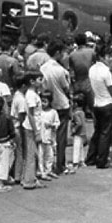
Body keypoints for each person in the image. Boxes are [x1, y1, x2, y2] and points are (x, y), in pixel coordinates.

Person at [85, 43, 112, 169]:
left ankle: (90, 158)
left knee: (98, 132)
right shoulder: (106, 72)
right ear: (104, 56)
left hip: (97, 103)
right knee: (106, 134)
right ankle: (102, 160)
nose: (111, 59)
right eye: (110, 56)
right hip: (107, 104)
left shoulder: (92, 69)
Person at [40, 39, 73, 175]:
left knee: (47, 136)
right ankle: (60, 165)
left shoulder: (43, 68)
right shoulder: (60, 70)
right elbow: (66, 88)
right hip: (62, 105)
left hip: (48, 105)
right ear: (58, 53)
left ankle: (45, 165)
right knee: (61, 137)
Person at [22, 71, 46, 190]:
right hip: (32, 127)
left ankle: (33, 178)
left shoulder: (34, 93)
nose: (41, 82)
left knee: (35, 154)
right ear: (32, 81)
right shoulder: (31, 95)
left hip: (34, 126)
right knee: (31, 154)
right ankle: (28, 181)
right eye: (39, 79)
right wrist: (36, 131)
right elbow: (30, 114)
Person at [10, 73, 28, 183]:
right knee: (20, 152)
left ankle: (16, 173)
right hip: (18, 127)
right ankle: (18, 175)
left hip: (15, 125)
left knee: (18, 152)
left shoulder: (16, 95)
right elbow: (21, 117)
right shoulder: (21, 99)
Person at [38, 90, 60, 180]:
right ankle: (41, 172)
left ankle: (48, 170)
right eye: (41, 101)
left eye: (45, 101)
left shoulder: (53, 112)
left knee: (50, 155)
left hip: (50, 137)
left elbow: (57, 123)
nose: (43, 103)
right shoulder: (39, 112)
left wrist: (52, 125)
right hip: (40, 137)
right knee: (40, 155)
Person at [71, 93, 87, 169]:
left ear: (76, 104)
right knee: (81, 147)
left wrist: (74, 129)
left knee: (76, 147)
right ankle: (82, 160)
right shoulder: (82, 112)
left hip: (78, 133)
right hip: (83, 132)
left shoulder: (75, 113)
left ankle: (75, 162)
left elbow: (79, 123)